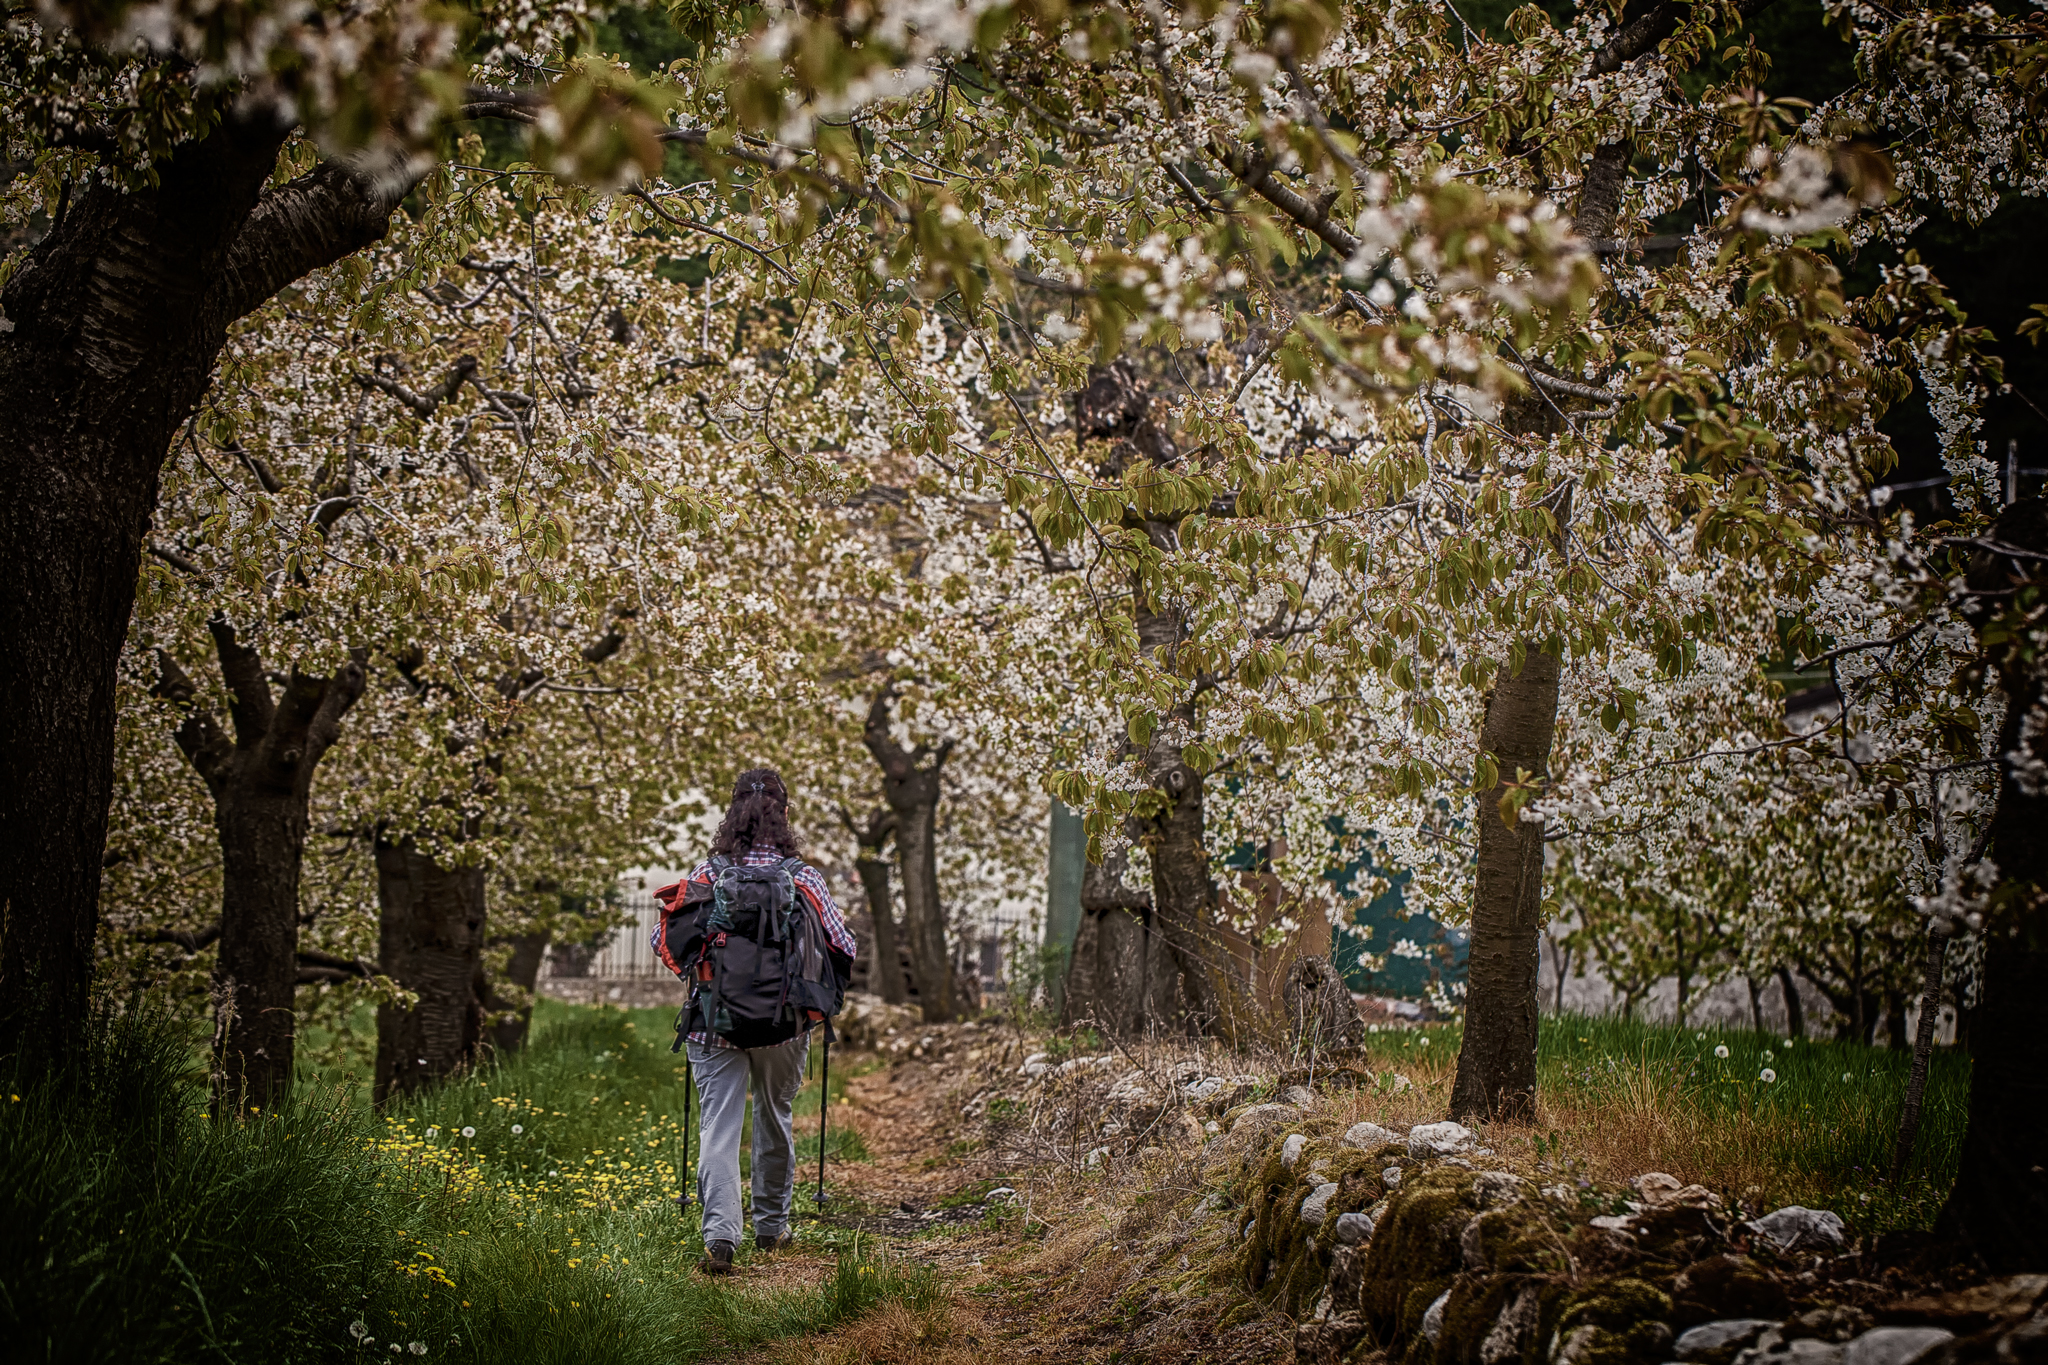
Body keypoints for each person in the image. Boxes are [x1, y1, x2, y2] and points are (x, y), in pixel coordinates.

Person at [651, 768, 856, 1276]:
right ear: (784, 816)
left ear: (732, 811)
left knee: (719, 1127)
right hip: (784, 1022)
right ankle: (771, 1225)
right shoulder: (803, 877)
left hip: (712, 1022)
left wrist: (707, 975)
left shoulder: (709, 873)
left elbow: (666, 943)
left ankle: (721, 1236)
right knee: (774, 1114)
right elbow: (843, 945)